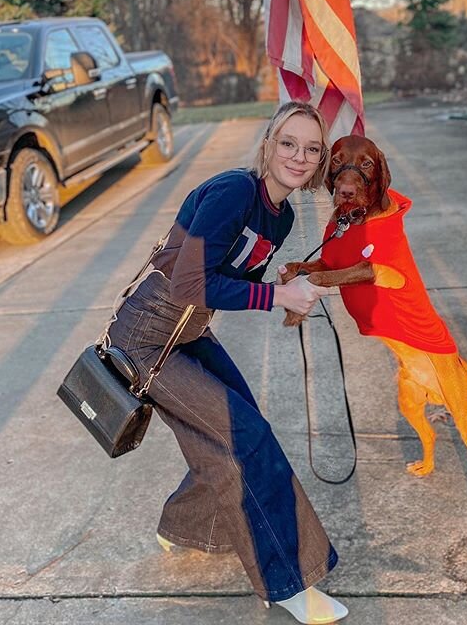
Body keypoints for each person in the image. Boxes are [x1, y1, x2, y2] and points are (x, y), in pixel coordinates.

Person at [105, 102, 348, 624]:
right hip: (148, 337)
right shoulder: (234, 191)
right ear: (267, 143)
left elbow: (228, 280)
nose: (298, 156)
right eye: (288, 142)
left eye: (311, 148)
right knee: (246, 440)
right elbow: (191, 283)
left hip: (187, 332)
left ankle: (185, 527)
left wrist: (282, 286)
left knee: (238, 427)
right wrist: (277, 299)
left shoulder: (278, 215)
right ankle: (287, 582)